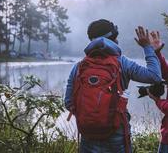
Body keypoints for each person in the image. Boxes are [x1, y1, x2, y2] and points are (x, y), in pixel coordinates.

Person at [64, 19, 162, 153]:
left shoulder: (79, 67)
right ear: (113, 40)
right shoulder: (123, 63)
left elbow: (69, 102)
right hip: (116, 130)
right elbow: (155, 76)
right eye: (116, 37)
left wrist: (91, 116)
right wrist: (147, 48)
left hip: (87, 132)